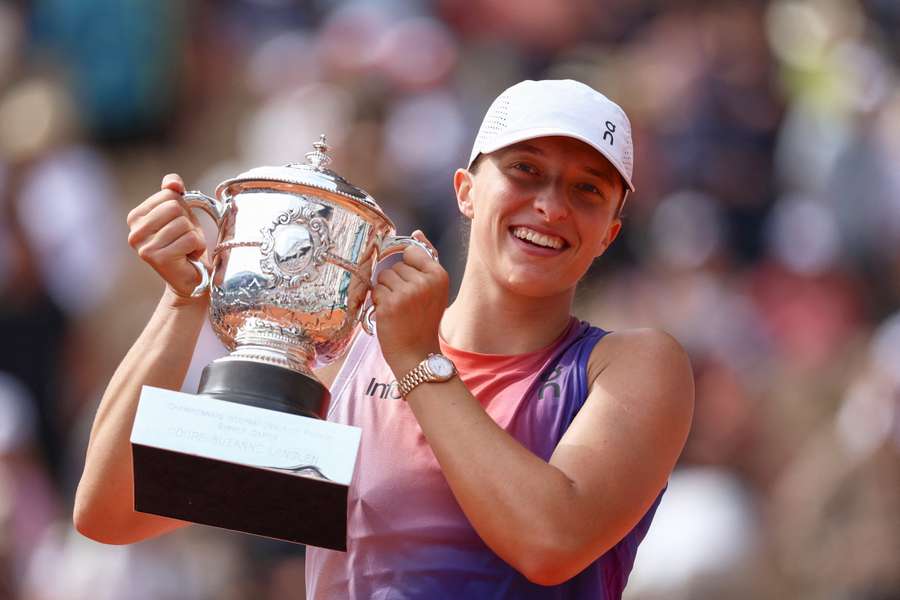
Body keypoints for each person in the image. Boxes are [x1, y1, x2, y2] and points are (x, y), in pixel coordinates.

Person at [74, 79, 694, 599]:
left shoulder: (632, 365)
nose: (551, 206)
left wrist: (419, 361)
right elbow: (112, 511)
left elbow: (549, 543)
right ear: (466, 191)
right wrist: (186, 298)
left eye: (586, 188)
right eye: (525, 170)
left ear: (610, 233)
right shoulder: (344, 353)